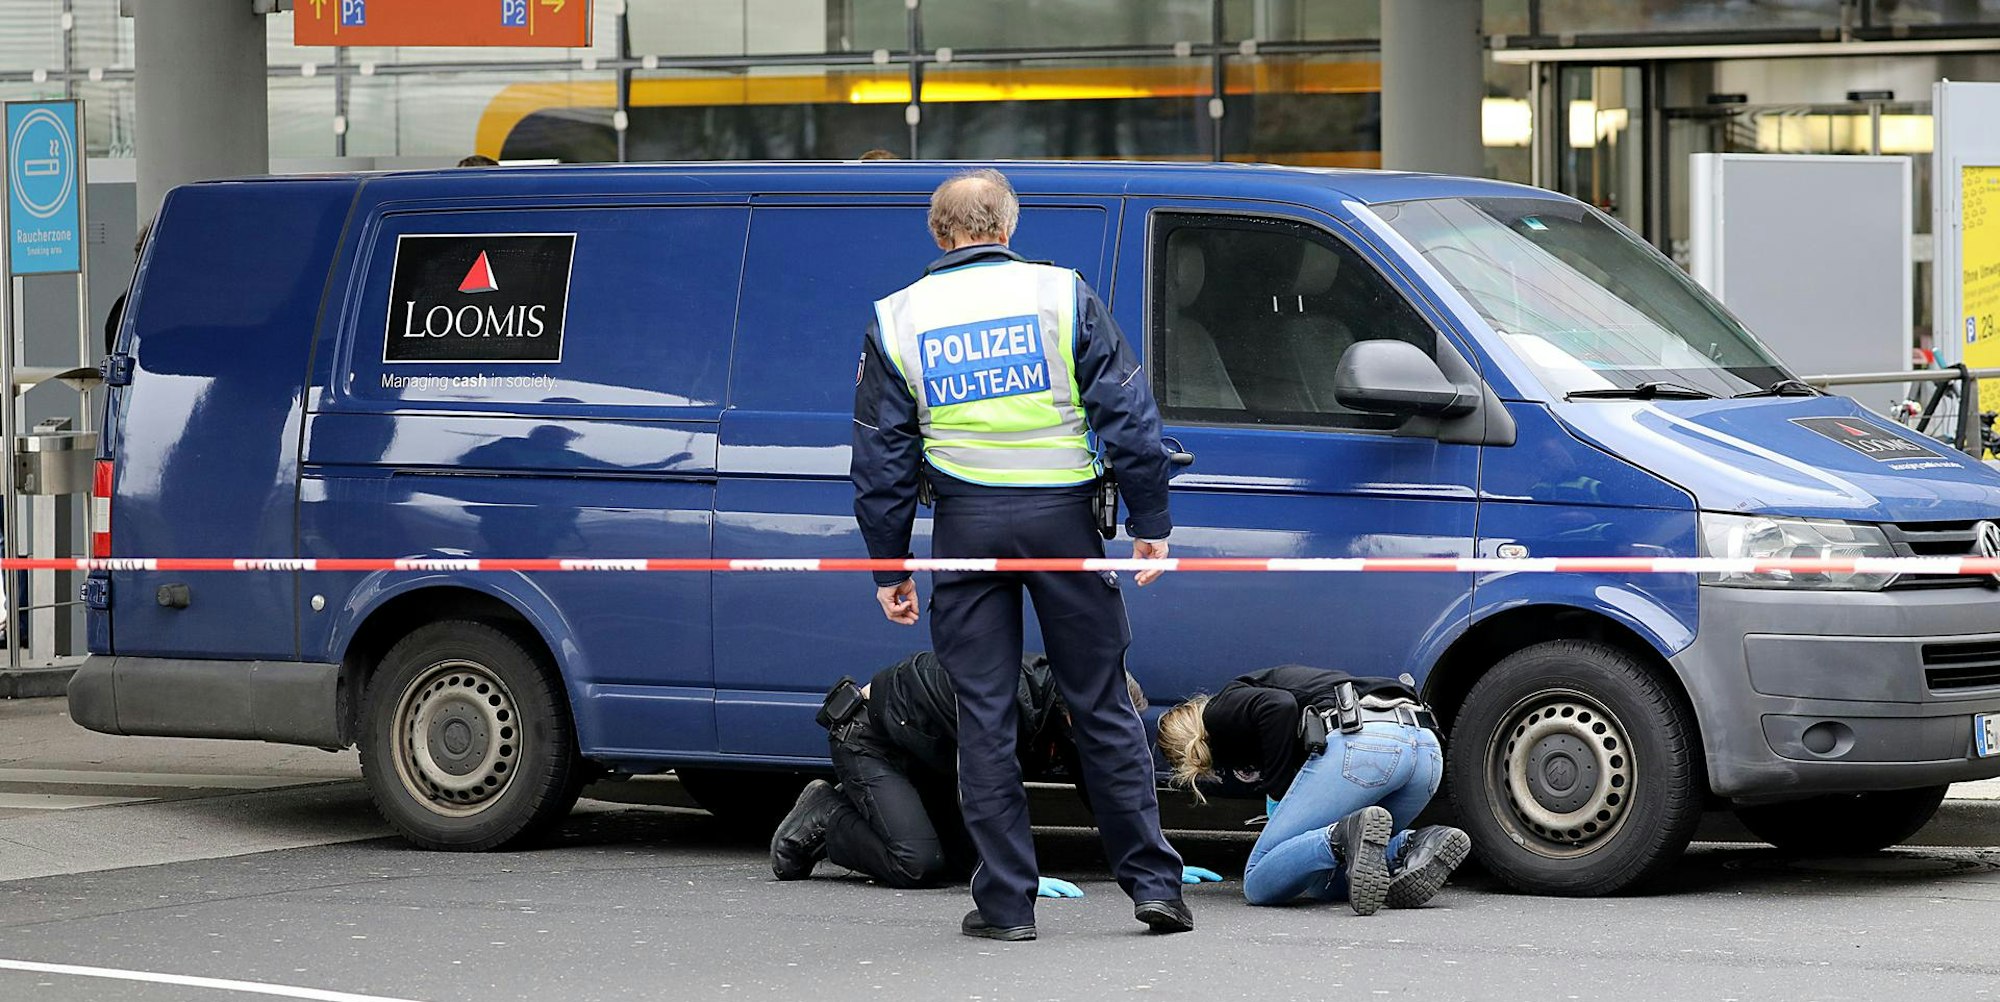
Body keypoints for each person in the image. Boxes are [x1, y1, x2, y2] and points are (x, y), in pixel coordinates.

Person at [851, 168, 1188, 940]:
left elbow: (881, 458)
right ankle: (1153, 888)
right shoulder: (1059, 294)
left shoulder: (898, 317)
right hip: (1063, 522)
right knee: (1100, 702)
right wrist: (1151, 517)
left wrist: (888, 566)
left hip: (965, 527)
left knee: (985, 717)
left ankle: (1006, 906)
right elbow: (1129, 414)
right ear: (1006, 226)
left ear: (939, 235)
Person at [769, 651, 1223, 899]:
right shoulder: (1011, 702)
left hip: (930, 749)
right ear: (1072, 719)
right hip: (871, 738)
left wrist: (1152, 858)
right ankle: (826, 816)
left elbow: (1107, 787)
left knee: (960, 862)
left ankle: (867, 813)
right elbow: (984, 786)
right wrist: (1012, 872)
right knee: (918, 864)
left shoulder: (1076, 708)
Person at [1156, 665, 1472, 915]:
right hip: (1425, 749)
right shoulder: (1272, 688)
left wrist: (1277, 792)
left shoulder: (1220, 709)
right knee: (1323, 883)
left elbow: (1276, 706)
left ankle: (1340, 836)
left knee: (1258, 880)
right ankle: (1411, 845)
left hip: (1366, 743)